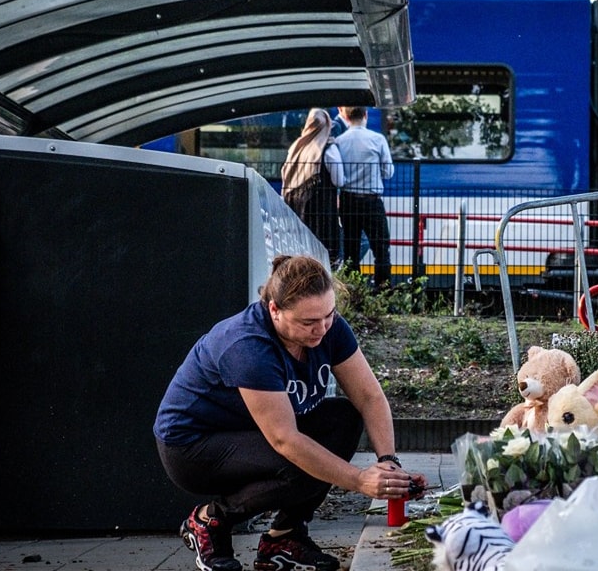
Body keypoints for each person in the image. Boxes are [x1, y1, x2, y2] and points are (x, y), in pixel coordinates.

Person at [154, 255, 424, 571]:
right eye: (308, 322)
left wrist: (389, 465)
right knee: (301, 462)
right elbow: (285, 441)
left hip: (253, 433)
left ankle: (285, 537)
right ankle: (210, 521)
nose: (321, 328)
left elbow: (369, 397)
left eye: (328, 315)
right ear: (275, 310)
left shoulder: (330, 327)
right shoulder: (247, 344)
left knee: (345, 418)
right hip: (191, 446)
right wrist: (360, 480)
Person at [334, 106, 395, 289]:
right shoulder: (377, 139)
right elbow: (388, 172)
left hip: (348, 201)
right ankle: (382, 289)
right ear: (366, 115)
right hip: (372, 201)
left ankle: (354, 291)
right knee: (381, 249)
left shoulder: (339, 141)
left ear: (346, 117)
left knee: (351, 250)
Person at [281, 109, 344, 265]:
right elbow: (339, 180)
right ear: (327, 125)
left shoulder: (296, 147)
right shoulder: (328, 149)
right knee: (323, 256)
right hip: (323, 212)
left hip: (297, 208)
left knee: (301, 253)